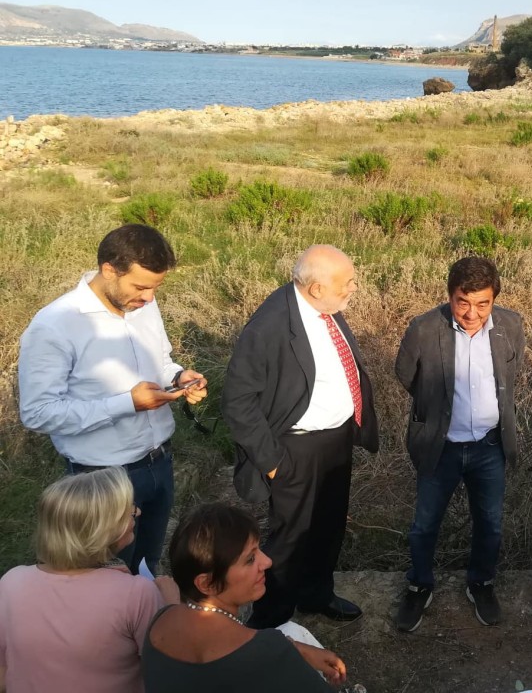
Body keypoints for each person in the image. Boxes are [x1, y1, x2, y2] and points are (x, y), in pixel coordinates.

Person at [18, 224, 207, 574]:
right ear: (109, 269)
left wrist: (178, 376)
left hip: (159, 463)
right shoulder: (54, 325)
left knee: (147, 566)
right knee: (106, 577)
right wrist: (128, 403)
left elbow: (160, 360)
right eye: (140, 286)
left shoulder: (144, 304)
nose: (149, 297)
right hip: (101, 478)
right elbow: (38, 412)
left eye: (156, 287)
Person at [221, 245, 379, 629]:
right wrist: (272, 462)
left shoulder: (324, 308)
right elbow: (238, 401)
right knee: (291, 536)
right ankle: (272, 620)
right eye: (347, 283)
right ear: (316, 288)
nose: (354, 288)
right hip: (295, 448)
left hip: (335, 441)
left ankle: (316, 594)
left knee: (329, 524)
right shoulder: (269, 326)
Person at [394, 257, 526, 632]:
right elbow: (406, 375)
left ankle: (480, 583)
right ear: (450, 295)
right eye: (462, 302)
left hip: (489, 446)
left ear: (494, 299)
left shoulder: (511, 325)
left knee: (490, 523)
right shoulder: (423, 328)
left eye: (483, 304)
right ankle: (420, 585)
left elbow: (511, 373)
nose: (472, 314)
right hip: (441, 448)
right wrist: (437, 409)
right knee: (424, 524)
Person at [0, 467, 178, 693]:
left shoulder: (12, 582)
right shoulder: (137, 594)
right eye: (128, 511)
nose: (138, 512)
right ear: (103, 529)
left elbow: (4, 669)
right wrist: (172, 609)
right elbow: (168, 670)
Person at [143, 502, 346, 692]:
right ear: (207, 584)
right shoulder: (270, 652)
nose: (267, 562)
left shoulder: (158, 624)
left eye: (259, 549)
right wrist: (287, 652)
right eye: (250, 559)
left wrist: (295, 649)